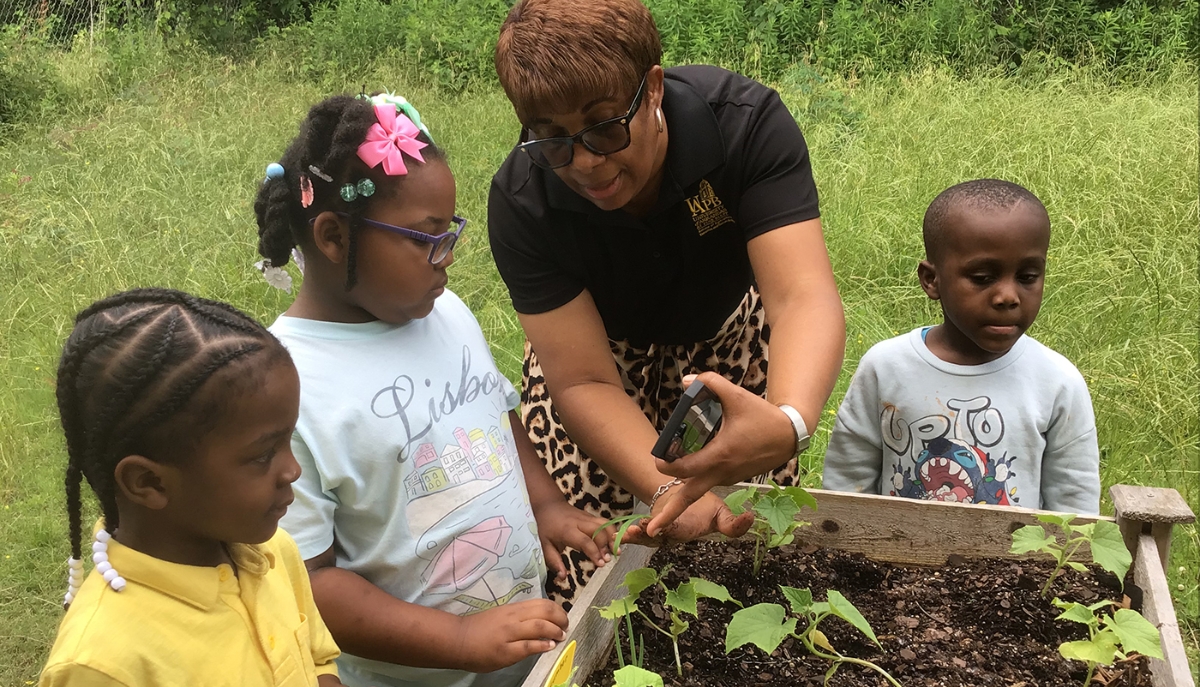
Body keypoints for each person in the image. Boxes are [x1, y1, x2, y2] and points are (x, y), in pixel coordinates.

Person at [488, 0, 846, 604]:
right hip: (600, 364)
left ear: (652, 87)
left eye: (605, 125)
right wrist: (663, 490)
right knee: (595, 570)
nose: (585, 162)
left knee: (746, 555)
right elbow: (580, 381)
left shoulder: (744, 125)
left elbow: (801, 297)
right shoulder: (525, 200)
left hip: (730, 352)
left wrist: (787, 422)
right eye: (551, 138)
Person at [252, 92, 615, 687]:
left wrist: (546, 505)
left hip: (522, 658)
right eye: (427, 238)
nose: (446, 261)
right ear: (333, 237)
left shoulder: (444, 311)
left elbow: (497, 417)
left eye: (450, 235)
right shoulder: (282, 389)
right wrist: (461, 639)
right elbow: (312, 583)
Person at [40, 288, 342, 686]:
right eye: (262, 455)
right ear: (149, 482)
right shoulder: (100, 664)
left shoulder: (273, 552)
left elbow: (318, 660)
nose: (293, 470)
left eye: (288, 441)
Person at [823, 179, 1101, 514]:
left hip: (1015, 565)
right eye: (983, 278)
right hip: (891, 560)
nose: (1008, 297)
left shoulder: (1057, 382)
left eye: (1027, 277)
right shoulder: (886, 367)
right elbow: (847, 481)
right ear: (931, 280)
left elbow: (1075, 503)